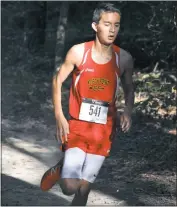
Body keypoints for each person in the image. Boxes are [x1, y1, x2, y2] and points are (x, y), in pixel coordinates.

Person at [40, 2, 134, 206]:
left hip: (104, 131)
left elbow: (129, 88)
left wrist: (127, 110)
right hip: (77, 126)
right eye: (107, 24)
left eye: (116, 25)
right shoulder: (78, 52)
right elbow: (57, 80)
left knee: (83, 191)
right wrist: (59, 115)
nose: (112, 30)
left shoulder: (124, 58)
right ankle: (61, 166)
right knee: (70, 187)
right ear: (95, 26)